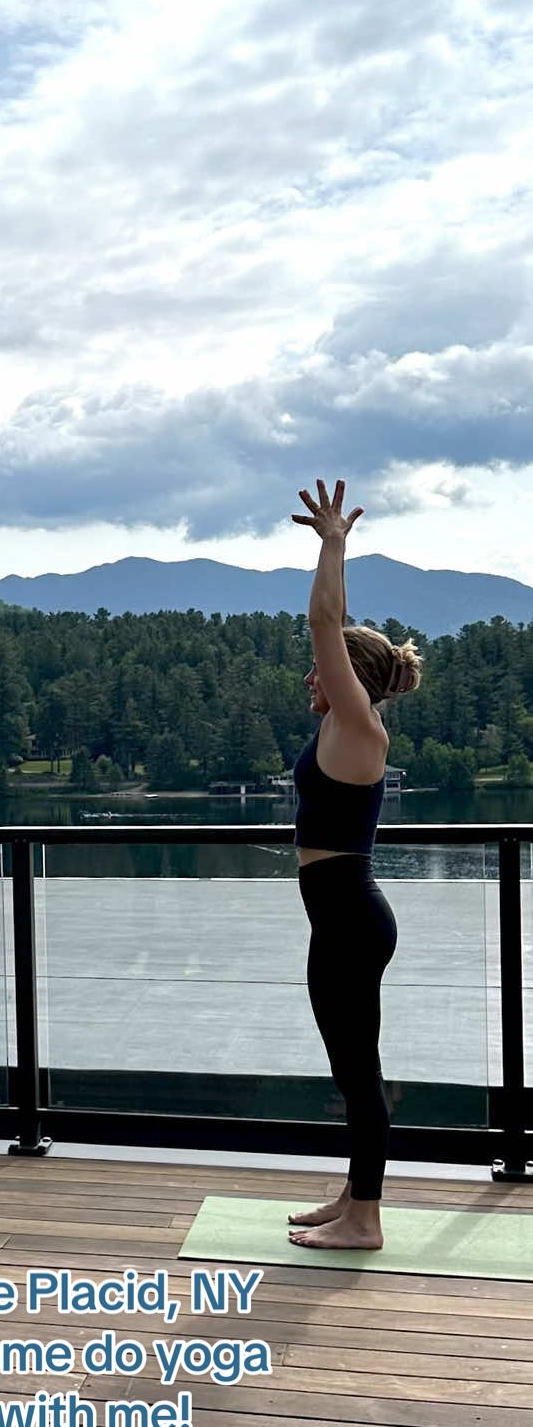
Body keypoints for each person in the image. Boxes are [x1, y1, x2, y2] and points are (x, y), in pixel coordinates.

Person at [285, 477, 421, 1250]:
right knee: (351, 1064)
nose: (312, 677)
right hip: (339, 914)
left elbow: (325, 622)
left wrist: (336, 544)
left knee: (357, 1067)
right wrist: (335, 551)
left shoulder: (358, 725)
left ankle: (365, 1219)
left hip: (350, 917)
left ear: (350, 678)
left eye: (326, 670)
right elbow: (334, 628)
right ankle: (351, 1195)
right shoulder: (350, 727)